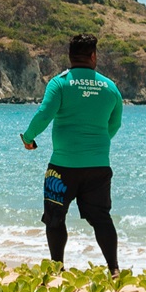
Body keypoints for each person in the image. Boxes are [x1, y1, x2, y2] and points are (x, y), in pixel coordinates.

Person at [22, 34, 124, 273]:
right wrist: (97, 144)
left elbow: (44, 114)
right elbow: (115, 124)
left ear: (69, 57)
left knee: (55, 218)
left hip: (62, 168)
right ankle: (114, 269)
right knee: (101, 218)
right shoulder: (110, 87)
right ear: (93, 56)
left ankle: (58, 268)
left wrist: (28, 138)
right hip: (99, 167)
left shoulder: (59, 83)